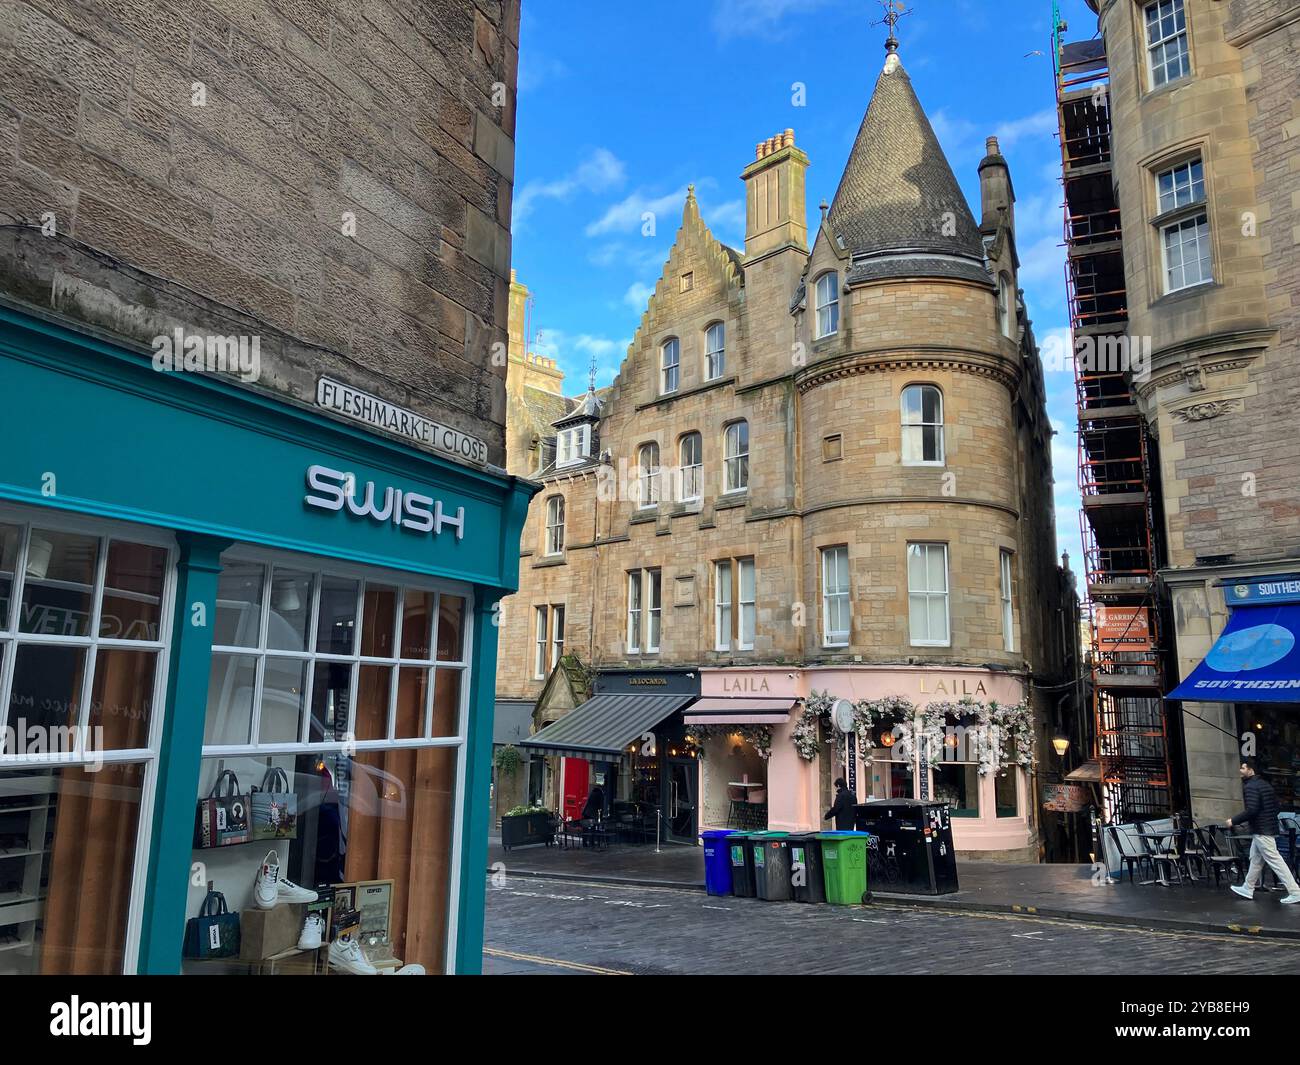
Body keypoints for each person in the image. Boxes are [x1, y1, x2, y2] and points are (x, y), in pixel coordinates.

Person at [1226, 758, 1300, 904]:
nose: (1240, 770)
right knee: (1256, 858)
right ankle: (1248, 888)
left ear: (1250, 770)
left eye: (1243, 768)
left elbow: (1252, 810)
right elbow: (1276, 807)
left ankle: (1295, 891)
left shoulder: (1251, 787)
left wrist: (1233, 821)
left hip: (1261, 829)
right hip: (1268, 827)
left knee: (1274, 860)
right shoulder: (1265, 785)